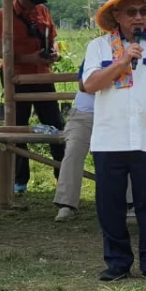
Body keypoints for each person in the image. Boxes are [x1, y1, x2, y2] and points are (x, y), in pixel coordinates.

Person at [82, 0, 146, 282]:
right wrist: (122, 62)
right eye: (131, 12)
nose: (139, 17)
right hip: (109, 139)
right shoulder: (98, 47)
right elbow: (90, 85)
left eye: (142, 12)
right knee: (110, 207)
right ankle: (117, 263)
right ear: (117, 15)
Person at [0, 0, 66, 193]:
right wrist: (29, 58)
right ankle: (19, 180)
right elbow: (0, 52)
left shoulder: (42, 11)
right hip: (17, 77)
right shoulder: (3, 16)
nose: (36, 4)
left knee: (55, 125)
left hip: (43, 75)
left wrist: (54, 54)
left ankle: (63, 175)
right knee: (18, 127)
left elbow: (53, 39)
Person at [54, 62, 96, 222]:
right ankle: (66, 204)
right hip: (82, 116)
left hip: (116, 117)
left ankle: (129, 203)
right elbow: (84, 85)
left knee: (123, 152)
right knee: (73, 150)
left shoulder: (133, 55)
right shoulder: (95, 50)